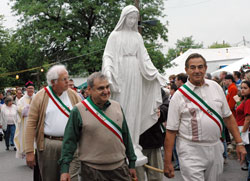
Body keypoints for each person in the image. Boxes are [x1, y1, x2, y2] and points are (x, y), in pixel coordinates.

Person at [164, 53, 246, 181]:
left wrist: (239, 143)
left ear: (206, 68)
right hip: (190, 150)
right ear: (186, 70)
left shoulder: (215, 87)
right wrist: (167, 162)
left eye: (200, 67)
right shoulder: (179, 96)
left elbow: (228, 117)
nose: (197, 71)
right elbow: (171, 131)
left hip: (215, 148)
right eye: (193, 67)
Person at [102, 5, 165, 164]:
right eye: (130, 18)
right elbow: (108, 55)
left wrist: (155, 73)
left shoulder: (138, 37)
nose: (132, 21)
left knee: (134, 109)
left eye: (135, 19)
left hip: (136, 74)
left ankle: (134, 143)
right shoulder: (115, 35)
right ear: (124, 18)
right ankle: (121, 142)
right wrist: (108, 71)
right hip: (121, 74)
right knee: (122, 106)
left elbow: (144, 57)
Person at [59, 72, 137, 181]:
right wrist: (65, 170)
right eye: (101, 88)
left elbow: (126, 136)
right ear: (89, 90)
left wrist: (132, 163)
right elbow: (69, 142)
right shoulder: (78, 110)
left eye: (107, 87)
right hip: (92, 171)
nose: (106, 91)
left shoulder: (117, 107)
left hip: (120, 169)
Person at [25, 65, 81, 181]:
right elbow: (31, 124)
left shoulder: (73, 95)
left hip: (70, 144)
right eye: (64, 79)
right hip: (48, 146)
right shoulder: (40, 96)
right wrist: (29, 151)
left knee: (72, 178)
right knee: (50, 178)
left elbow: (83, 118)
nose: (68, 82)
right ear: (53, 82)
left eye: (68, 78)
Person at [136, 88, 169, 181]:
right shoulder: (129, 85)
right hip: (134, 143)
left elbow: (166, 106)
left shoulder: (156, 87)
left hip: (153, 141)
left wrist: (160, 112)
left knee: (156, 177)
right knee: (137, 177)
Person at [14, 81, 35, 159]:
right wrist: (27, 107)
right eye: (29, 88)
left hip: (36, 122)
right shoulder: (22, 100)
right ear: (26, 89)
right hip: (26, 122)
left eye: (32, 88)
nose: (30, 90)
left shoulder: (37, 97)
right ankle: (28, 155)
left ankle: (36, 155)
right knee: (27, 139)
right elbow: (19, 109)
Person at [235, 80, 250, 176]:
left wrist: (243, 133)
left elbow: (248, 119)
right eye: (242, 88)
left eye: (245, 88)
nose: (242, 90)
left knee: (249, 156)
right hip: (242, 128)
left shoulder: (248, 101)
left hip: (245, 130)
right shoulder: (245, 100)